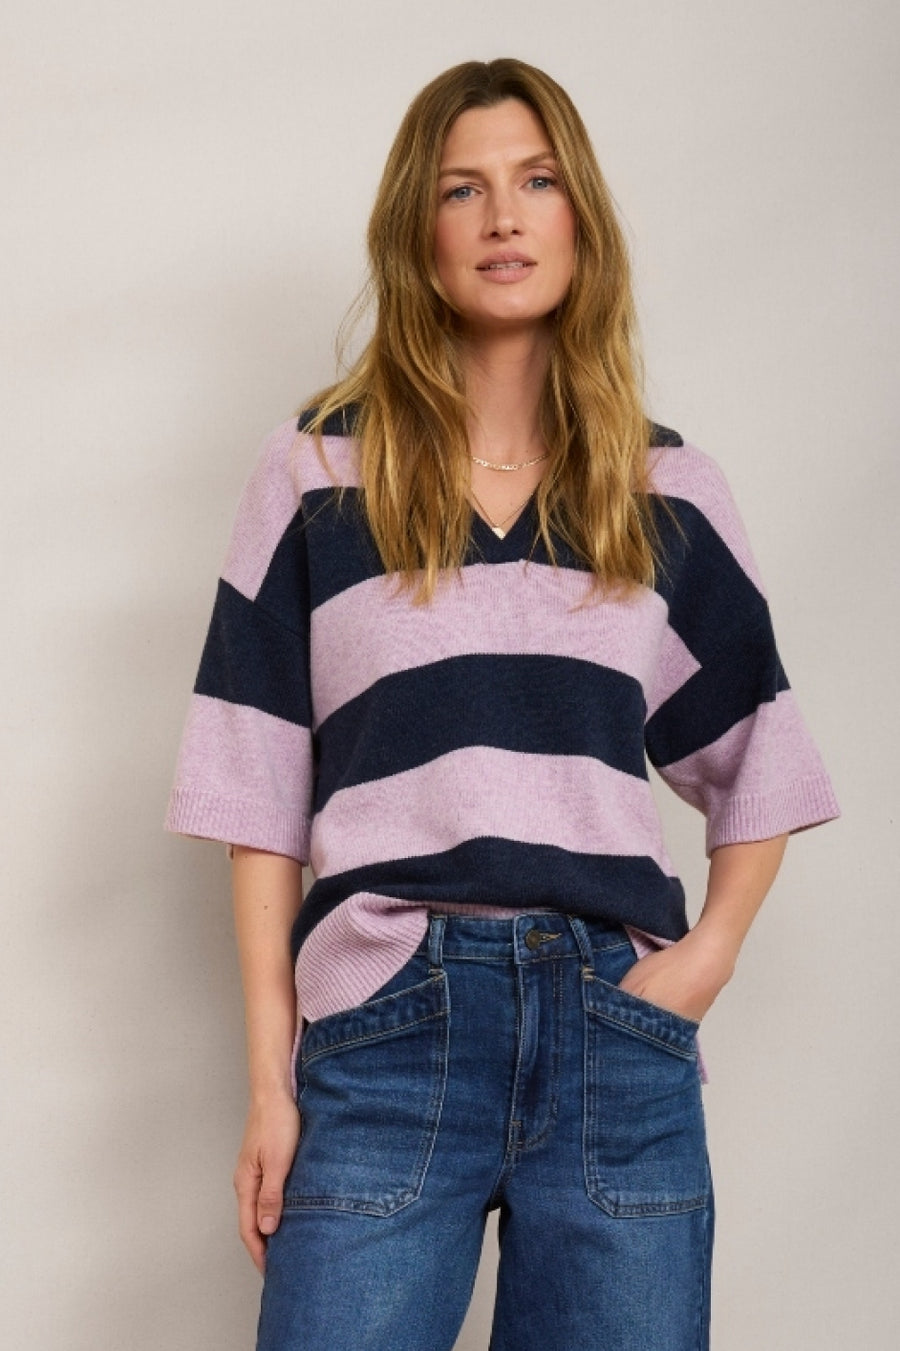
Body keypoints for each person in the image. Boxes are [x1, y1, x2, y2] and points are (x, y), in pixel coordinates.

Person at [165, 58, 840, 1351]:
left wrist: (702, 963)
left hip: (615, 1034)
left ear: (580, 214)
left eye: (536, 181)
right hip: (385, 1019)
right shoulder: (318, 471)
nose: (503, 217)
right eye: (461, 189)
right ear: (416, 234)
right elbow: (255, 794)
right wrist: (271, 1084)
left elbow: (763, 755)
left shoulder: (664, 490)